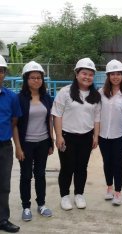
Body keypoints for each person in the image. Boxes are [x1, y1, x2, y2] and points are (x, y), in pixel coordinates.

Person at [51, 58, 101, 210]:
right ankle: (65, 196)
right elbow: (57, 115)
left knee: (82, 167)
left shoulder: (95, 95)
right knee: (67, 167)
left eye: (91, 74)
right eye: (84, 73)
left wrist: (95, 136)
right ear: (77, 74)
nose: (87, 77)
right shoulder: (65, 92)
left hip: (86, 137)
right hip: (67, 137)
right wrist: (58, 136)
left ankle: (79, 194)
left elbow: (97, 118)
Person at [13, 61, 54, 221]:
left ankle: (41, 204)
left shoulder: (46, 98)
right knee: (25, 175)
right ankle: (26, 206)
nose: (36, 80)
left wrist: (51, 143)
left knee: (40, 174)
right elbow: (14, 125)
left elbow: (49, 121)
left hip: (43, 142)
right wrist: (18, 147)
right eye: (32, 78)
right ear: (26, 79)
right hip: (26, 144)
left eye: (39, 78)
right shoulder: (19, 99)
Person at [98, 59, 122, 206]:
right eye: (112, 74)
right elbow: (96, 114)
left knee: (118, 163)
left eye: (118, 74)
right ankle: (109, 188)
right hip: (103, 135)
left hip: (119, 135)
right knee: (107, 162)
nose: (115, 76)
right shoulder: (101, 93)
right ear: (108, 76)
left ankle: (118, 193)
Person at [0, 54, 21, 233]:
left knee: (4, 185)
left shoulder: (11, 97)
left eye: (0, 70)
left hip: (4, 147)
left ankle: (2, 219)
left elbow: (14, 121)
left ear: (4, 74)